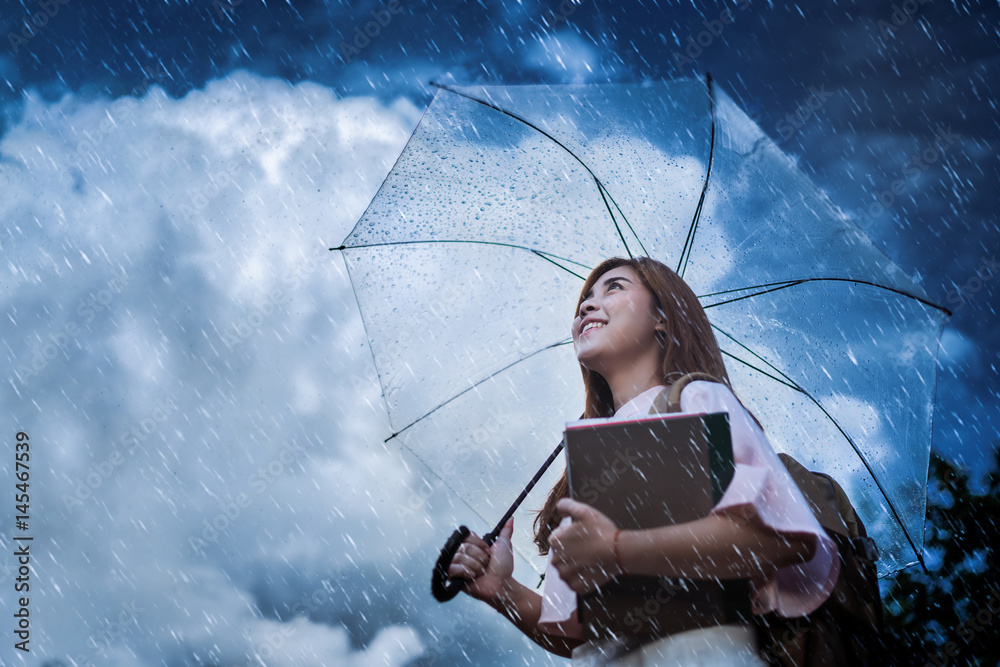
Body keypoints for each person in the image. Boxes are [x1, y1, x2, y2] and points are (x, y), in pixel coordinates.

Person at [446, 256, 840, 665]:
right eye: (586, 298)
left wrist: (618, 549)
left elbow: (782, 539)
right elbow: (579, 635)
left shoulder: (696, 400)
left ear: (662, 319)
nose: (586, 305)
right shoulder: (590, 459)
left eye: (614, 287)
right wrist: (502, 589)